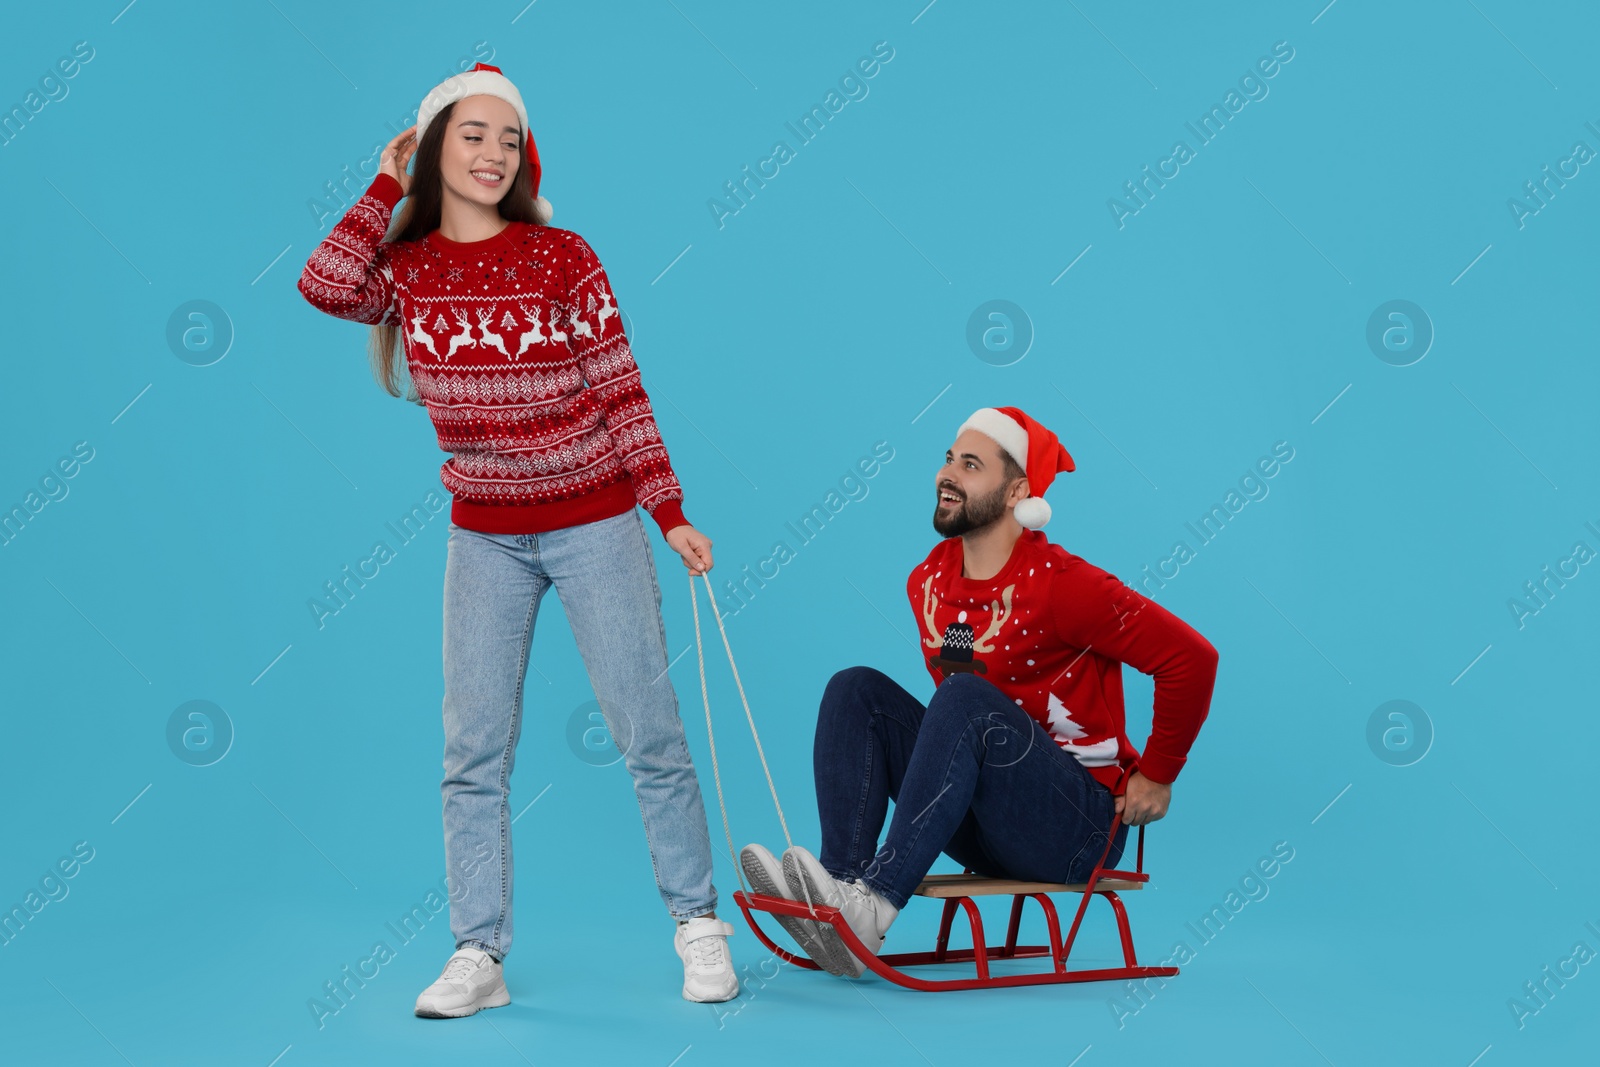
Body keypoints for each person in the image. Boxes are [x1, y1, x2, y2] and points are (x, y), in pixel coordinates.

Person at [296, 63, 738, 1014]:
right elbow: (323, 282)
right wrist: (385, 183)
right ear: (432, 148)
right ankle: (478, 953)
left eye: (509, 138)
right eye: (472, 134)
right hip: (484, 539)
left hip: (595, 521)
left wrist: (669, 512)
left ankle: (700, 923)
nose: (494, 152)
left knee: (647, 729)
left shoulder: (562, 255)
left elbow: (622, 391)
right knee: (473, 750)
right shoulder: (407, 273)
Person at [741, 406, 1219, 977]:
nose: (948, 474)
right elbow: (955, 695)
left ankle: (874, 907)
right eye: (948, 459)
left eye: (971, 465)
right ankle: (839, 896)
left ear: (1017, 489)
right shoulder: (931, 583)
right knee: (856, 690)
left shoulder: (1065, 587)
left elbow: (1192, 659)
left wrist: (1160, 772)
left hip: (1078, 827)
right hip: (989, 821)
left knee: (965, 700)